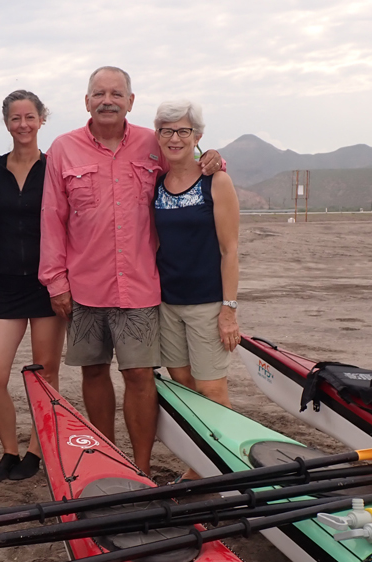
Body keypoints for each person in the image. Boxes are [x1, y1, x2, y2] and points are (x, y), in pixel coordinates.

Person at [39, 67, 223, 474]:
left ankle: (139, 468)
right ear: (87, 101)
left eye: (116, 93)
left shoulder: (151, 143)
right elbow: (52, 217)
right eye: (99, 93)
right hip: (83, 287)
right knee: (93, 371)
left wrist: (212, 157)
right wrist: (55, 281)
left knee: (141, 375)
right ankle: (108, 463)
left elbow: (186, 167)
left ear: (131, 101)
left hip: (139, 286)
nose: (108, 100)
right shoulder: (63, 149)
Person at [0, 90, 67, 482]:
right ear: (6, 123)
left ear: (41, 120)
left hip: (47, 283)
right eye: (15, 119)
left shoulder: (55, 167)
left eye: (29, 117)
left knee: (45, 374)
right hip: (5, 283)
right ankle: (9, 450)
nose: (23, 125)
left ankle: (37, 450)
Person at [152, 100, 240, 479]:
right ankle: (200, 465)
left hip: (207, 302)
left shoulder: (215, 181)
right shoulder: (157, 181)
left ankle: (225, 465)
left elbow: (230, 249)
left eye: (183, 131)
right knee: (184, 385)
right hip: (167, 303)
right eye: (167, 131)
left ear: (198, 136)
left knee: (212, 388)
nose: (175, 138)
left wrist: (229, 309)